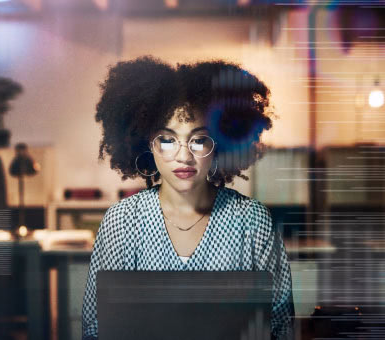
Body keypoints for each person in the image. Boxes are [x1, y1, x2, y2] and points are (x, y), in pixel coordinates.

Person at [82, 56, 295, 340]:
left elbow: (281, 326)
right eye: (168, 140)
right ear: (147, 144)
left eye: (198, 139)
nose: (184, 156)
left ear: (220, 143)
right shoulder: (122, 221)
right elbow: (96, 328)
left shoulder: (251, 219)